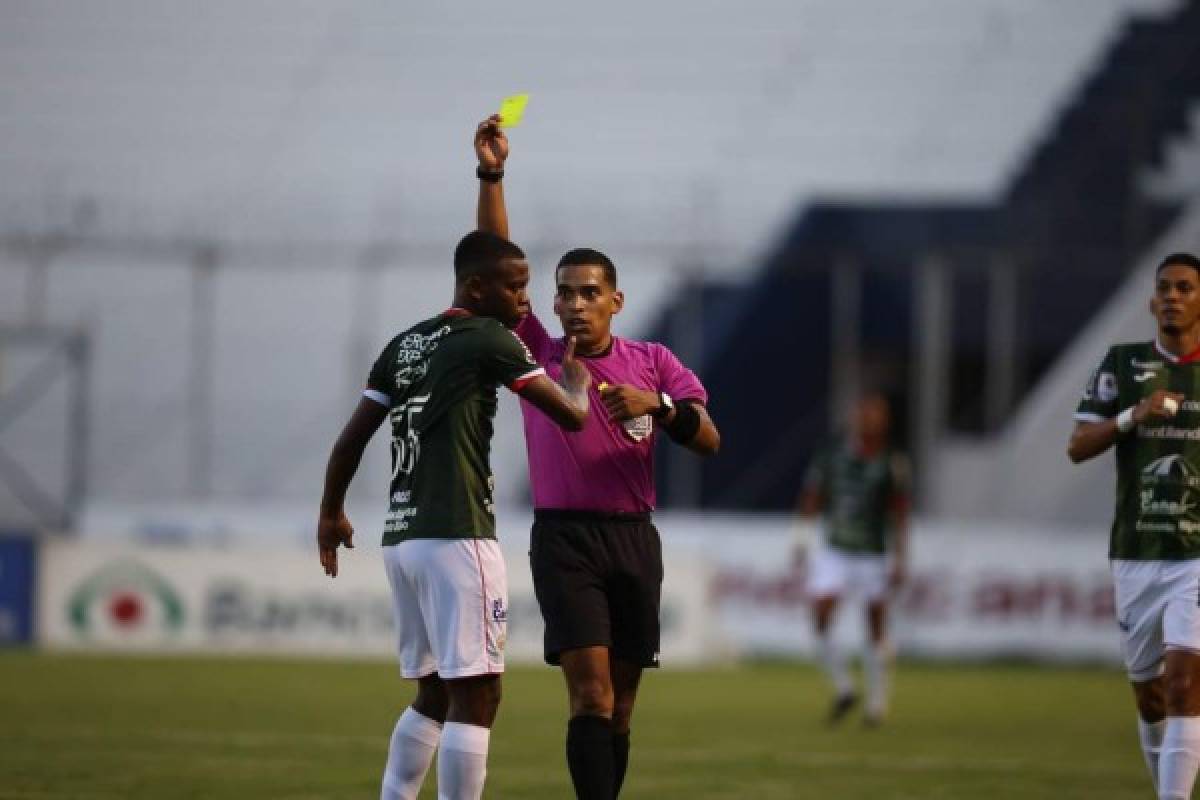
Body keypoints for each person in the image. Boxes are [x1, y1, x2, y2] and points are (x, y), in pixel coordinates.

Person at [473, 115, 721, 799]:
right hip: (564, 540)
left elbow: (708, 438)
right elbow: (494, 263)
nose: (575, 305)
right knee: (590, 695)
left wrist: (661, 408)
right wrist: (492, 174)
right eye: (564, 293)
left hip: (633, 539)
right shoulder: (536, 353)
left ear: (616, 301)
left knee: (623, 707)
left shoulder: (653, 362)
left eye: (589, 293)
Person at [315, 230, 593, 800]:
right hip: (457, 532)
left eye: (527, 286)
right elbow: (571, 418)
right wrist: (578, 386)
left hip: (402, 536)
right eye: (514, 286)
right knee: (480, 693)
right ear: (475, 286)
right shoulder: (489, 338)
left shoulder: (405, 344)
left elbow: (349, 442)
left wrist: (331, 514)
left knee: (435, 693)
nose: (525, 299)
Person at [1069, 251, 1200, 800]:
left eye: (1186, 288)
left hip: (1195, 555)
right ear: (1152, 302)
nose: (1173, 296)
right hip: (1135, 553)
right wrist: (1132, 416)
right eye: (1165, 288)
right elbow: (1077, 447)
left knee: (1183, 682)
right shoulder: (1121, 364)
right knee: (1149, 699)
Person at [797, 391, 910, 727]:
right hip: (836, 548)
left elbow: (899, 512)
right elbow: (813, 496)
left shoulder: (893, 461)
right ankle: (845, 688)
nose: (868, 419)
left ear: (885, 421)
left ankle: (876, 703)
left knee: (875, 623)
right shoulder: (831, 453)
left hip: (873, 553)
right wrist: (801, 538)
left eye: (875, 414)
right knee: (821, 613)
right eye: (864, 413)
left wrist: (900, 557)